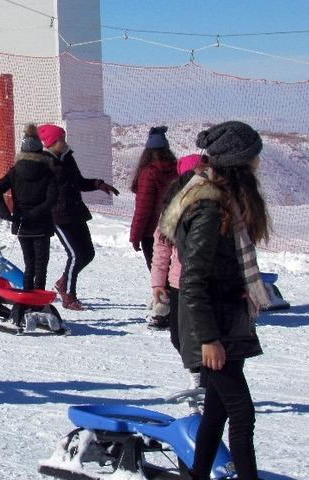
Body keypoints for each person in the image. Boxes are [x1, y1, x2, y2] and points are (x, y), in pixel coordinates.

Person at [160, 121, 269, 480]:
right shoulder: (209, 208)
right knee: (242, 413)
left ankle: (197, 476)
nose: (258, 164)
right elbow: (193, 281)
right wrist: (208, 339)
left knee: (218, 413)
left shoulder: (224, 202)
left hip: (223, 322)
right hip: (211, 330)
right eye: (254, 157)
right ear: (240, 162)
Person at [38, 124, 119, 310]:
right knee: (75, 254)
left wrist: (99, 184)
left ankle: (62, 282)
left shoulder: (68, 158)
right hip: (57, 215)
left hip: (76, 212)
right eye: (61, 140)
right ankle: (69, 296)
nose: (65, 143)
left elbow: (79, 182)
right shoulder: (43, 162)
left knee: (88, 253)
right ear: (52, 142)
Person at [0, 124, 57, 290]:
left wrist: (5, 213)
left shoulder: (14, 172)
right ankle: (38, 300)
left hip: (21, 223)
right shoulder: (48, 172)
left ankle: (26, 296)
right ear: (39, 151)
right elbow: (51, 199)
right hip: (41, 224)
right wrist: (36, 213)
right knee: (41, 266)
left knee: (29, 264)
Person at [148, 154, 204, 335]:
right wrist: (158, 283)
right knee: (181, 337)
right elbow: (162, 249)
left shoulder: (217, 204)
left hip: (206, 281)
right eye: (200, 172)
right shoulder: (174, 209)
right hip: (180, 281)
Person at [129, 126, 178, 270]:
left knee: (159, 275)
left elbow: (143, 208)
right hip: (175, 229)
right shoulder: (176, 170)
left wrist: (135, 235)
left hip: (153, 232)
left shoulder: (149, 173)